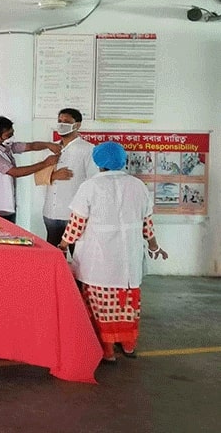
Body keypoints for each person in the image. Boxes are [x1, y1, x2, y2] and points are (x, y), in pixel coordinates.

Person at [59, 141, 169, 364]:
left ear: (99, 163)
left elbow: (76, 224)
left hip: (99, 262)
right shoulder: (138, 186)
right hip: (129, 264)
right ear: (122, 161)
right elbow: (147, 223)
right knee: (128, 306)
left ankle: (107, 350)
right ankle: (128, 345)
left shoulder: (90, 186)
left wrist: (62, 245)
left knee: (100, 307)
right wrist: (154, 246)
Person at [0, 116, 60, 223]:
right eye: (8, 135)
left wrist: (48, 145)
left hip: (5, 207)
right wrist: (46, 163)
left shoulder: (7, 146)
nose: (12, 138)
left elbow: (31, 146)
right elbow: (15, 172)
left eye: (12, 133)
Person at [42, 108, 99, 247]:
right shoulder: (52, 148)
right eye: (59, 121)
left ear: (77, 125)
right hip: (51, 212)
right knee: (53, 254)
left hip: (75, 215)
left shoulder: (88, 149)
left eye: (66, 122)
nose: (62, 124)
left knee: (77, 255)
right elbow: (39, 176)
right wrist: (54, 175)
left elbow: (94, 182)